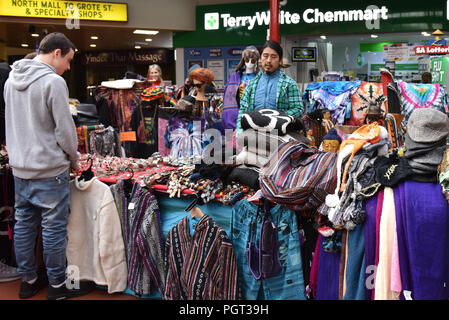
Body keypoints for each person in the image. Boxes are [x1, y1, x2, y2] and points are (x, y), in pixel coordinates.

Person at [4, 32, 87, 300]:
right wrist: (74, 159)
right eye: (69, 60)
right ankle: (57, 287)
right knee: (53, 229)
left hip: (20, 168)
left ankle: (28, 282)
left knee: (24, 225)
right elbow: (65, 130)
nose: (69, 67)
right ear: (57, 53)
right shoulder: (53, 82)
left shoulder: (10, 81)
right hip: (49, 170)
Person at [236, 40, 304, 134]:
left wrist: (276, 118)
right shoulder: (252, 84)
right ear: (260, 58)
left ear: (280, 60)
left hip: (281, 135)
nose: (268, 60)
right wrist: (239, 130)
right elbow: (243, 110)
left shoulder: (288, 84)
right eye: (265, 56)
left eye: (273, 56)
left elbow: (298, 109)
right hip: (254, 135)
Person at [222, 46, 260, 130]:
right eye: (247, 59)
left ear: (256, 62)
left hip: (253, 114)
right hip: (235, 115)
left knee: (251, 142)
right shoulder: (235, 77)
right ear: (243, 60)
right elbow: (228, 97)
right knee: (232, 142)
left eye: (253, 60)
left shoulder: (259, 77)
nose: (249, 63)